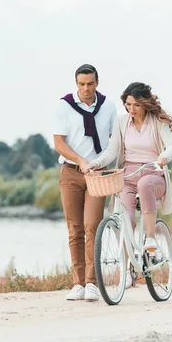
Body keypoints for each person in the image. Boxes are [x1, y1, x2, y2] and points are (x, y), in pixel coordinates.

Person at [86, 82, 172, 269]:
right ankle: (128, 266)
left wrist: (164, 156)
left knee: (145, 184)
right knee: (126, 219)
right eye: (128, 104)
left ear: (145, 103)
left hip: (153, 173)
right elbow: (112, 150)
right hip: (128, 176)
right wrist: (96, 163)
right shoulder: (122, 122)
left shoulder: (157, 122)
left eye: (136, 105)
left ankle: (151, 240)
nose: (132, 109)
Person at [53, 64, 117, 302]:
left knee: (92, 226)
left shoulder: (108, 106)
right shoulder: (64, 106)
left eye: (90, 84)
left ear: (97, 82)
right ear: (76, 84)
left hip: (97, 174)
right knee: (75, 229)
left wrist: (102, 164)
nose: (86, 88)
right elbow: (59, 143)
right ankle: (77, 283)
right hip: (71, 173)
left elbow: (114, 141)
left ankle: (92, 282)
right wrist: (79, 159)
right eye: (81, 84)